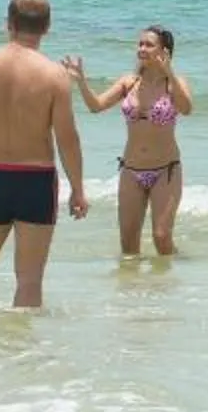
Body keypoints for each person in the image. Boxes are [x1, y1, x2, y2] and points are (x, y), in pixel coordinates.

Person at [0, 0, 89, 308]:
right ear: (47, 27)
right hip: (35, 181)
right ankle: (21, 354)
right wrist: (78, 188)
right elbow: (68, 138)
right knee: (29, 280)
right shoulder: (54, 76)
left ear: (8, 24)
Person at [66, 26, 192, 258]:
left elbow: (186, 109)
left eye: (148, 44)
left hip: (166, 171)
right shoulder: (129, 82)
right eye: (140, 43)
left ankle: (172, 284)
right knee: (128, 246)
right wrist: (81, 81)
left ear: (164, 51)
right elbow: (96, 106)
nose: (142, 48)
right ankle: (132, 291)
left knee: (162, 238)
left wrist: (170, 72)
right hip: (131, 171)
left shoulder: (173, 84)